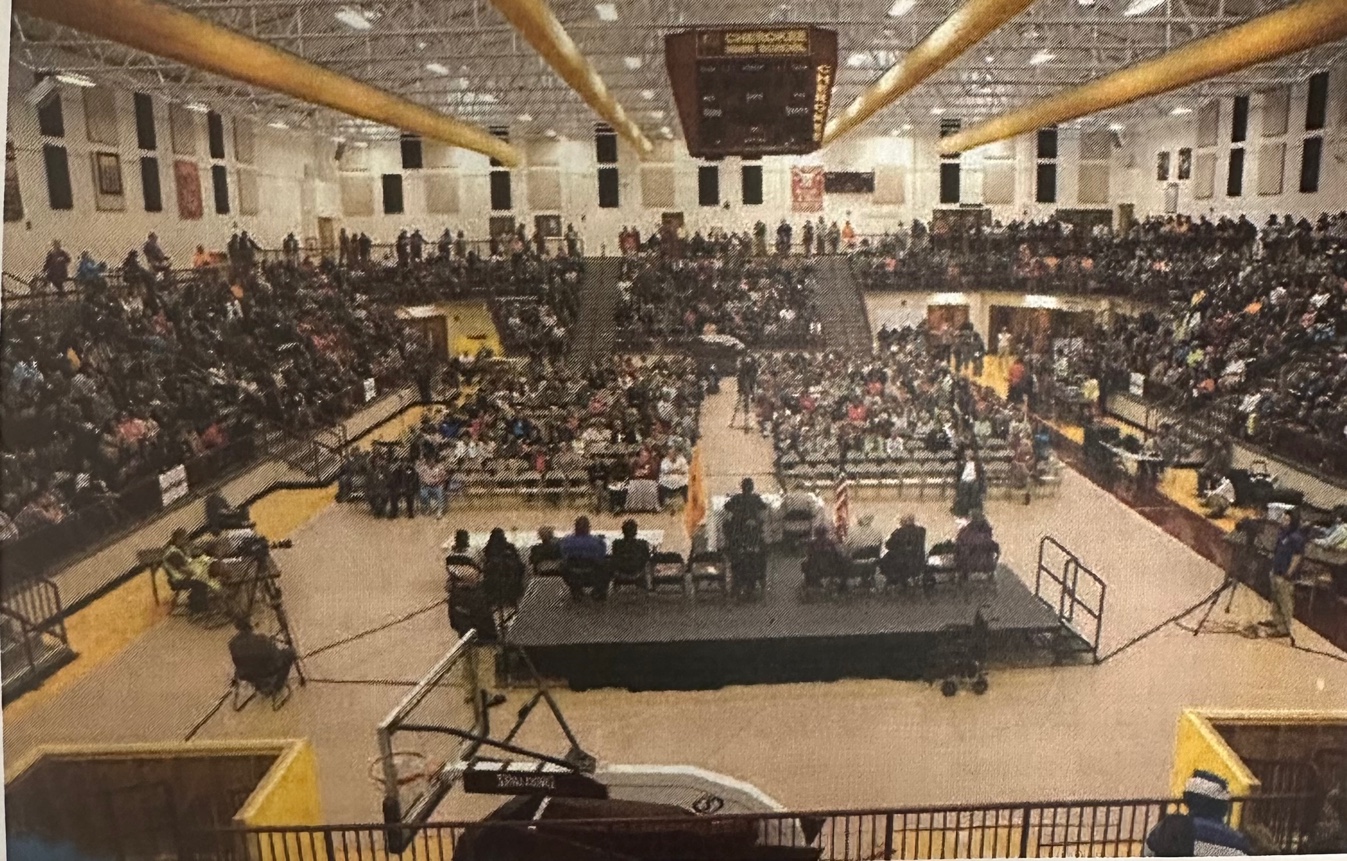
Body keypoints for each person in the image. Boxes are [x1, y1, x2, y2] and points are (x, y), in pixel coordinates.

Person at [1143, 770, 1250, 856]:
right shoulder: (1238, 842)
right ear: (1222, 806)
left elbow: (1147, 851)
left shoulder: (1170, 828)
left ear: (1190, 800)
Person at [1263, 509, 1307, 639]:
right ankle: (1276, 621)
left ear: (1293, 522)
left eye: (1287, 520)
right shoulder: (1282, 534)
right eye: (1284, 519)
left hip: (1285, 575)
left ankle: (1284, 628)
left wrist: (1289, 572)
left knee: (1285, 601)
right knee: (1275, 598)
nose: (1284, 521)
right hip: (1276, 570)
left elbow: (1297, 557)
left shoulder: (1297, 538)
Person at [723, 478, 768, 597]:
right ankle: (751, 585)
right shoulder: (756, 499)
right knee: (754, 557)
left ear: (742, 488)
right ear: (752, 488)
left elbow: (726, 507)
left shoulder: (737, 498)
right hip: (752, 538)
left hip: (738, 534)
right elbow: (764, 507)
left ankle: (738, 585)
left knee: (738, 557)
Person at [228, 616, 295, 695]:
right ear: (251, 625)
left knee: (254, 665)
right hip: (265, 671)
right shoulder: (261, 640)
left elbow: (237, 662)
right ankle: (277, 686)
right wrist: (277, 648)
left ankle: (259, 684)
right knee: (290, 652)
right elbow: (276, 658)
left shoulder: (233, 644)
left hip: (248, 675)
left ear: (237, 627)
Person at [560, 515, 609, 600]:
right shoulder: (597, 542)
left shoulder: (566, 541)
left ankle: (575, 589)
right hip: (592, 575)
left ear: (575, 527)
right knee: (607, 563)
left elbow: (563, 555)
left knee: (562, 564)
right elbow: (602, 556)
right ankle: (599, 591)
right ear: (588, 527)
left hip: (573, 574)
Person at [480, 528, 526, 613]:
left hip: (494, 584)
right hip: (511, 583)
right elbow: (519, 565)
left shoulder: (488, 549)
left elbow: (485, 567)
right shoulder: (510, 547)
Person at [882, 514, 926, 588]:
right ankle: (903, 581)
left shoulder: (899, 532)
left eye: (901, 521)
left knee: (887, 559)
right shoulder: (921, 531)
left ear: (904, 522)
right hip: (918, 561)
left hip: (903, 563)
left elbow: (888, 545)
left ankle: (894, 580)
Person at [954, 509, 999, 583]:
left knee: (961, 549)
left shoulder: (965, 533)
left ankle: (963, 575)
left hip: (968, 564)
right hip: (986, 563)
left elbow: (958, 543)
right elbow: (996, 549)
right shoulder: (987, 538)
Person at [802, 525, 847, 590]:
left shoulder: (812, 543)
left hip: (816, 569)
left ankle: (811, 583)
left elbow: (809, 555)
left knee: (805, 564)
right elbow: (837, 554)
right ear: (825, 533)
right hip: (831, 568)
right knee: (844, 563)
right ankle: (842, 586)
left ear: (816, 534)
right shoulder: (831, 543)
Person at [610, 518, 652, 586]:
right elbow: (646, 559)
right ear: (635, 532)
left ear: (623, 531)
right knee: (648, 564)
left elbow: (615, 558)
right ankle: (650, 587)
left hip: (620, 574)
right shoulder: (642, 544)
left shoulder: (617, 544)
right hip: (638, 573)